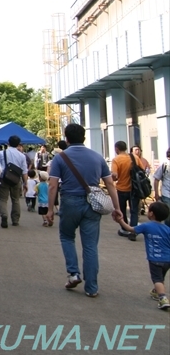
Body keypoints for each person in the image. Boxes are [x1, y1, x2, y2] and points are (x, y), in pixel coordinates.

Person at [47, 124, 122, 298]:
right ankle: (92, 287)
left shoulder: (60, 158)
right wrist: (117, 208)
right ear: (84, 137)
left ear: (66, 139)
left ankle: (73, 273)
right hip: (93, 204)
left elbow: (52, 186)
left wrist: (50, 209)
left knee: (66, 237)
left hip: (70, 202)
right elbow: (110, 183)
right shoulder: (97, 157)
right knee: (90, 246)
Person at [115, 201, 170, 310]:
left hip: (154, 258)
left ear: (151, 214)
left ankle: (163, 298)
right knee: (161, 276)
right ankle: (156, 291)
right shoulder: (167, 229)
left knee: (157, 279)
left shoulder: (146, 226)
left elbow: (131, 229)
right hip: (167, 259)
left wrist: (120, 220)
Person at [0, 136, 28, 228]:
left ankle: (4, 215)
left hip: (4, 179)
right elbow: (24, 171)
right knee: (16, 200)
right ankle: (15, 220)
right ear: (18, 144)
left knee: (2, 199)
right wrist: (26, 183)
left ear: (8, 143)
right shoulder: (22, 156)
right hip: (16, 180)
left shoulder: (1, 153)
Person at [111, 140, 138, 241]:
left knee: (122, 210)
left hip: (122, 189)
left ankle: (124, 229)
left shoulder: (116, 160)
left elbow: (115, 176)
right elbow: (141, 170)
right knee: (134, 211)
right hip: (134, 189)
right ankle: (133, 231)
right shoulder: (134, 158)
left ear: (117, 149)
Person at [154, 147, 170, 226]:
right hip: (167, 194)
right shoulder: (165, 165)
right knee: (168, 215)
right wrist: (156, 193)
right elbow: (156, 179)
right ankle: (168, 232)